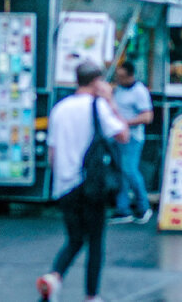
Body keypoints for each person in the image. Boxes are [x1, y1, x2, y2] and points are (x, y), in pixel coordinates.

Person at [37, 61, 129, 302]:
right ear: (97, 81)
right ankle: (91, 295)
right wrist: (111, 101)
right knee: (96, 241)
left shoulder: (59, 109)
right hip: (91, 184)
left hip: (64, 185)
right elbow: (123, 135)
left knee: (75, 238)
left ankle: (54, 277)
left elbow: (52, 153)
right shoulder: (98, 106)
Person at [110, 61, 154, 224]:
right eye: (118, 77)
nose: (119, 80)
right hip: (116, 136)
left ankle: (143, 206)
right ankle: (123, 209)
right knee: (120, 172)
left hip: (132, 137)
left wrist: (125, 123)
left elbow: (147, 117)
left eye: (122, 77)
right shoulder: (118, 89)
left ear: (131, 76)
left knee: (129, 170)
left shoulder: (139, 92)